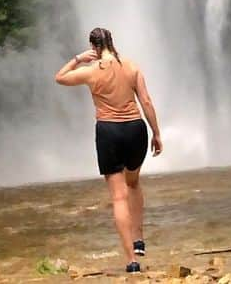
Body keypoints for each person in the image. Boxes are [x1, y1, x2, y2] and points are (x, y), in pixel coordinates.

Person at [54, 26, 162, 274]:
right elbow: (146, 101)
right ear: (112, 42)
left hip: (109, 132)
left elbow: (59, 77)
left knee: (118, 197)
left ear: (93, 47)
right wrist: (156, 132)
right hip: (136, 129)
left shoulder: (90, 71)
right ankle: (139, 240)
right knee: (133, 183)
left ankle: (131, 261)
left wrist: (78, 59)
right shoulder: (132, 67)